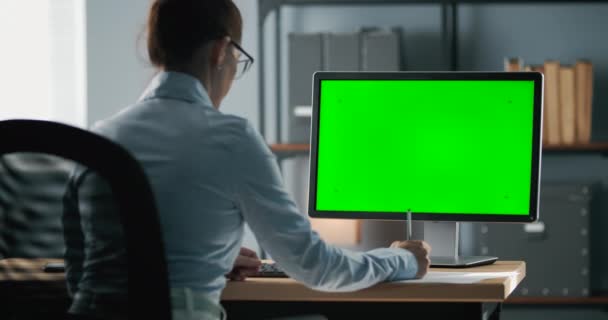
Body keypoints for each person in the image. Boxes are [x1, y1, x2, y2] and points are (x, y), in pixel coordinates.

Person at [63, 0, 431, 319]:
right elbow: (315, 266)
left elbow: (79, 271)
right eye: (238, 59)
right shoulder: (231, 138)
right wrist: (402, 260)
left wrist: (211, 258)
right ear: (220, 51)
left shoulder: (100, 135)